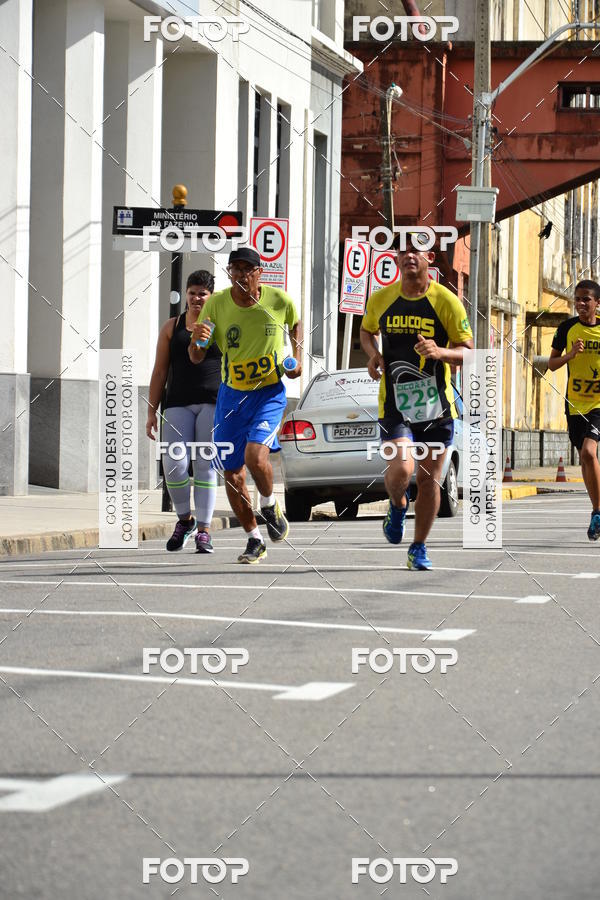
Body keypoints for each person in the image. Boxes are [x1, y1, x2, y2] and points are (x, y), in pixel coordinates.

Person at [360, 239, 473, 570]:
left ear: (429, 258)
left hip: (436, 406)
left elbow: (468, 351)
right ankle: (397, 505)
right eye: (403, 250)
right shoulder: (381, 299)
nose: (409, 255)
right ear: (397, 258)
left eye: (416, 250)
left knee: (429, 480)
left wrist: (441, 352)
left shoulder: (447, 301)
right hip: (395, 403)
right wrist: (374, 355)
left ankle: (418, 547)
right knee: (402, 469)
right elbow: (366, 331)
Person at [189, 247, 302, 564]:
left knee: (255, 456)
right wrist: (196, 341)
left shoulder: (279, 300)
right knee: (232, 474)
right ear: (229, 273)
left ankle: (268, 503)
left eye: (246, 270)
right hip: (231, 398)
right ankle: (254, 539)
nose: (240, 275)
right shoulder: (216, 304)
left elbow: (295, 323)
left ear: (259, 273)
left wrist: (297, 359)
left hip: (268, 394)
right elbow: (196, 356)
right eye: (234, 269)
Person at [146, 270, 221, 552]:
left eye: (202, 294)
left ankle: (204, 530)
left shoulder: (222, 325)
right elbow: (159, 371)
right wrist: (151, 411)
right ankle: (185, 520)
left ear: (211, 296)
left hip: (212, 402)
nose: (196, 298)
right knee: (174, 465)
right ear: (186, 295)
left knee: (204, 465)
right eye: (192, 293)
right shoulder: (172, 326)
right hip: (177, 403)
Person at [548, 279, 600, 540]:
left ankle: (598, 512)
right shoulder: (567, 328)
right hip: (575, 404)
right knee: (585, 458)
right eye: (577, 299)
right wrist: (570, 355)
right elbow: (551, 364)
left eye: (586, 299)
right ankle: (596, 510)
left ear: (597, 303)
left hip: (598, 404)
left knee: (590, 452)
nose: (580, 303)